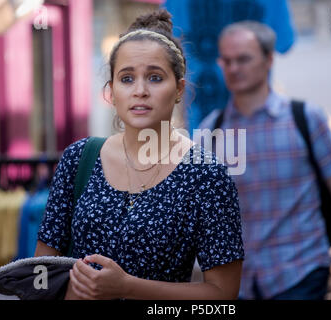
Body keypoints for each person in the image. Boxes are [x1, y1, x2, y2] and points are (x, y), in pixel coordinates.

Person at [35, 9, 244, 300]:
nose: (140, 91)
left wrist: (127, 287)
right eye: (127, 78)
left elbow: (223, 295)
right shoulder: (79, 158)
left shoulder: (207, 175)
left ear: (179, 89)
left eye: (155, 78)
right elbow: (40, 271)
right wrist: (63, 290)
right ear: (111, 91)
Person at [199, 21, 331, 300]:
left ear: (269, 60)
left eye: (243, 59)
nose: (233, 69)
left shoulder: (306, 118)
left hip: (300, 272)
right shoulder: (211, 130)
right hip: (239, 282)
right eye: (227, 61)